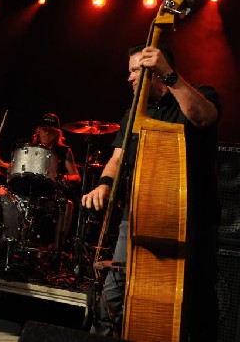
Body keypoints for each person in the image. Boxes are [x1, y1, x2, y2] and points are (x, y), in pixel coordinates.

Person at [81, 44, 220, 341]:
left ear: (155, 71)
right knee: (113, 295)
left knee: (192, 305)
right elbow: (117, 158)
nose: (129, 78)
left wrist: (170, 75)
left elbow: (203, 117)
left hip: (191, 221)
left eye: (135, 71)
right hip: (139, 215)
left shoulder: (199, 95)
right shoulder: (133, 113)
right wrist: (104, 184)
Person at [0, 113, 81, 250]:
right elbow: (14, 170)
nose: (47, 133)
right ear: (38, 130)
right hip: (23, 188)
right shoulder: (25, 146)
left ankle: (56, 249)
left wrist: (59, 177)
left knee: (68, 205)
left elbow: (76, 178)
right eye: (44, 129)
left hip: (49, 193)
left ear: (57, 133)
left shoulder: (64, 151)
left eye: (51, 131)